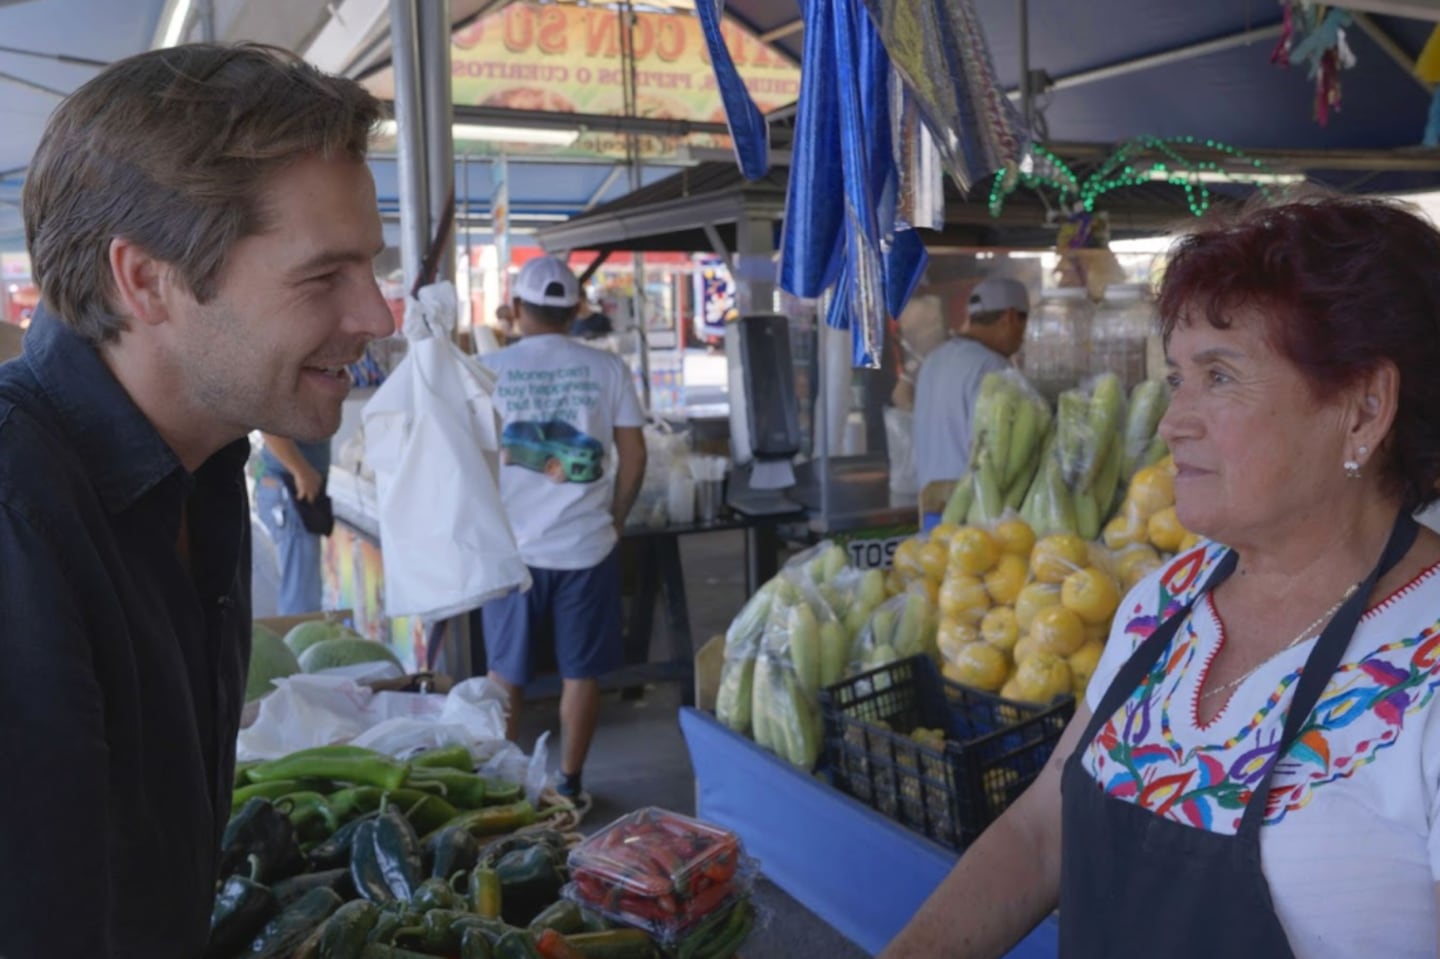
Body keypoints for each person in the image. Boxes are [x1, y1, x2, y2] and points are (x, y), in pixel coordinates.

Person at [881, 195, 1440, 959]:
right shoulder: (1167, 600)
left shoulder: (1425, 664)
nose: (1176, 420)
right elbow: (1045, 830)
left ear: (1364, 408)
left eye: (1220, 376)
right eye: (1180, 377)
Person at [0, 44, 392, 955]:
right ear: (145, 280)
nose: (377, 315)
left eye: (370, 266)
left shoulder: (204, 468)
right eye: (324, 274)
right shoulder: (20, 512)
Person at [480, 254, 647, 803]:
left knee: (506, 677)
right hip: (587, 546)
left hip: (513, 552)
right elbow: (634, 455)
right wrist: (615, 519)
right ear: (575, 310)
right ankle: (570, 784)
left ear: (520, 309)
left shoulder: (492, 370)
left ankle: (504, 789)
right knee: (581, 673)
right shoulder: (608, 370)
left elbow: (474, 458)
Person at [912, 277, 1030, 493]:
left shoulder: (935, 358)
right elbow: (995, 454)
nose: (1023, 338)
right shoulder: (993, 367)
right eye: (1024, 324)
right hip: (971, 510)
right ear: (1010, 317)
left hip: (930, 503)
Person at [255, 432, 331, 615]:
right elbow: (269, 425)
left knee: (303, 590)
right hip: (289, 486)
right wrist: (301, 470)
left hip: (294, 484)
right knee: (301, 599)